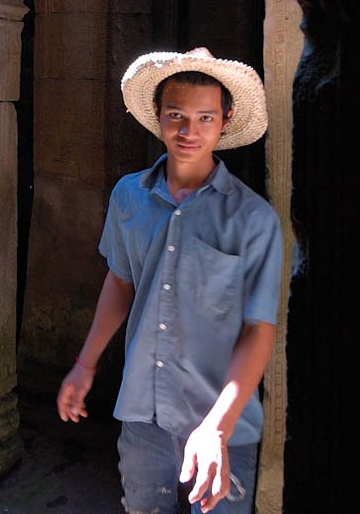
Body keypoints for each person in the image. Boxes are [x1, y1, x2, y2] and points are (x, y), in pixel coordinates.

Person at [57, 48, 283, 514]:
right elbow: (120, 282)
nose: (188, 131)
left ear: (226, 119)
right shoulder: (129, 197)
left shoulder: (252, 219)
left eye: (204, 117)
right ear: (158, 116)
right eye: (176, 115)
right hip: (143, 415)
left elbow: (258, 329)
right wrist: (86, 363)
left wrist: (216, 429)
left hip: (223, 423)